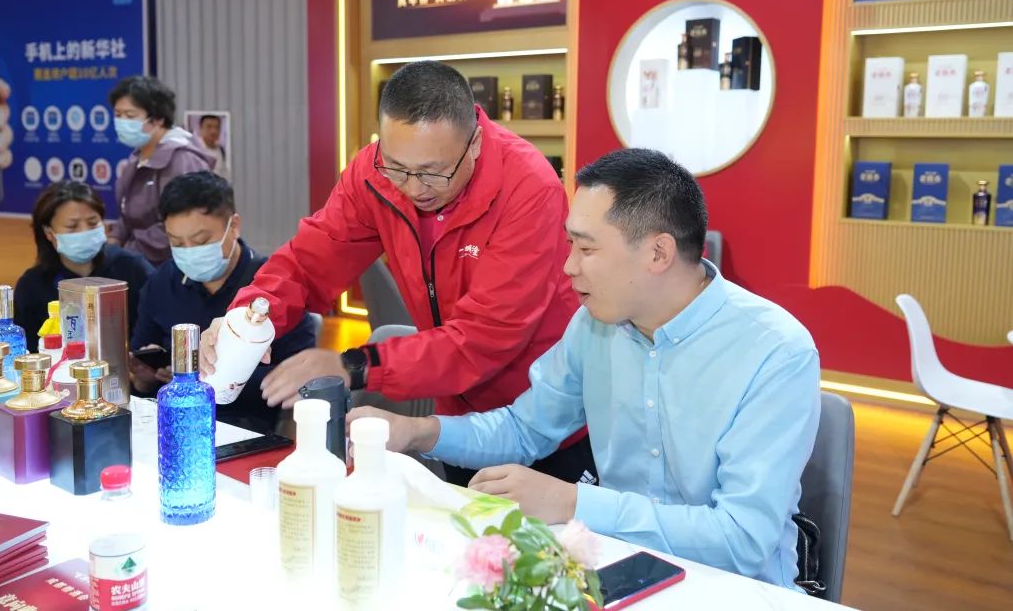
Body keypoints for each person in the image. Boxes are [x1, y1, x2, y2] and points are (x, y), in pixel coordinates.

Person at [350, 148, 821, 590]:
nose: (568, 268)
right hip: (617, 571)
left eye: (587, 249)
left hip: (735, 591)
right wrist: (418, 432)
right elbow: (525, 429)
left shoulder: (775, 352)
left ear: (658, 254)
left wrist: (572, 502)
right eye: (570, 245)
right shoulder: (594, 326)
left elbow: (741, 539)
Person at [200, 60, 592, 487]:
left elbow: (483, 338)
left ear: (475, 142)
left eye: (433, 172)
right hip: (454, 417)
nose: (413, 188)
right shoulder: (374, 175)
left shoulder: (529, 190)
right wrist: (249, 317)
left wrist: (355, 364)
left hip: (542, 415)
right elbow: (308, 262)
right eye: (397, 166)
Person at [130, 171, 317, 434]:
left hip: (249, 428)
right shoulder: (161, 284)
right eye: (177, 243)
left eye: (201, 241)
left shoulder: (275, 289)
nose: (189, 251)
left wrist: (212, 377)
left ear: (234, 226)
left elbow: (300, 379)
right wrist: (145, 379)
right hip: (173, 422)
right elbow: (140, 363)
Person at [14, 181, 154, 351]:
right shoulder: (32, 286)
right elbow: (25, 351)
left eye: (93, 222)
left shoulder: (132, 268)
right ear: (49, 233)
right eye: (72, 226)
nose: (84, 231)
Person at [107, 76, 214, 265]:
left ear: (157, 119)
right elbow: (128, 214)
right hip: (138, 261)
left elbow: (186, 223)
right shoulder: (139, 155)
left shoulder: (182, 160)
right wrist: (114, 240)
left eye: (130, 116)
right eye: (118, 115)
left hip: (172, 266)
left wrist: (127, 251)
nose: (122, 122)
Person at [196, 114, 230, 179]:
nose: (213, 131)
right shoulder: (194, 150)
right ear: (200, 128)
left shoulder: (221, 150)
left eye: (217, 127)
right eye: (209, 127)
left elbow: (225, 175)